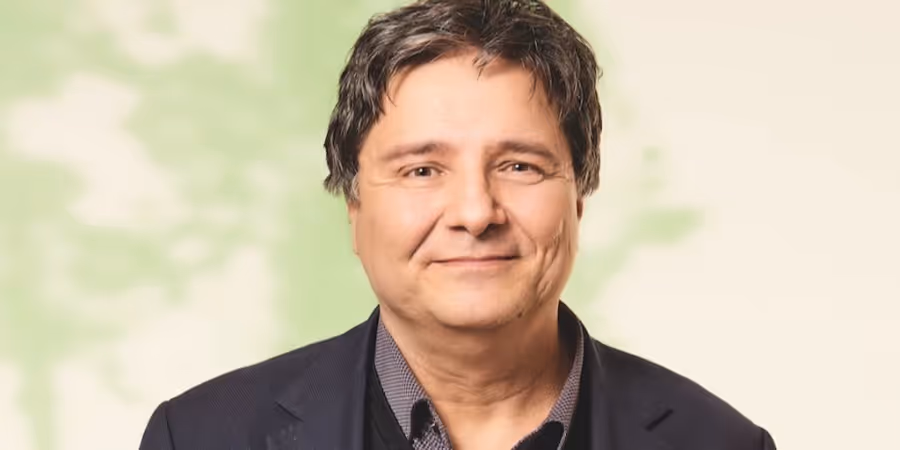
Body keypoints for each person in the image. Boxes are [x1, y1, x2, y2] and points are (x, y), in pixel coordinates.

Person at [139, 0, 776, 449]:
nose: (475, 213)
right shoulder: (198, 438)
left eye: (520, 166)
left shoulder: (721, 443)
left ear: (579, 196)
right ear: (354, 208)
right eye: (422, 170)